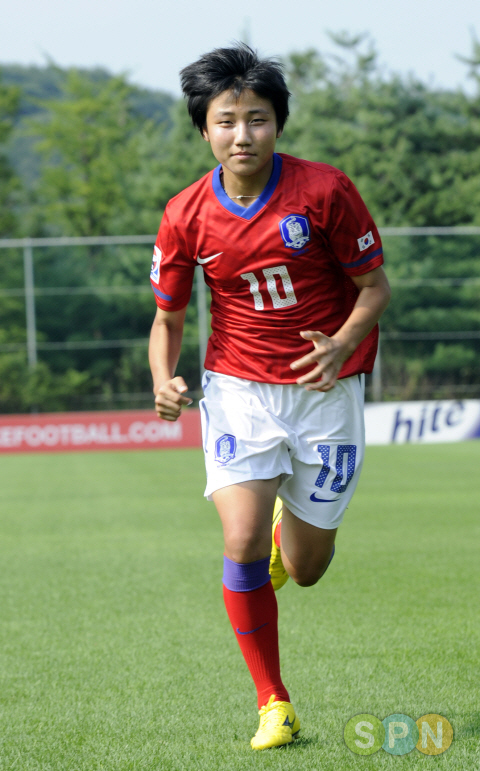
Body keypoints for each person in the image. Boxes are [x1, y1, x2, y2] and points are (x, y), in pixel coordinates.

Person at [148, 43, 391, 751]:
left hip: (326, 391)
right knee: (241, 540)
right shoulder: (186, 213)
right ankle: (273, 702)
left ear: (277, 124)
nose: (242, 135)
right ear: (205, 129)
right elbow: (166, 317)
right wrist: (164, 379)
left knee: (308, 569)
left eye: (257, 119)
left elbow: (375, 288)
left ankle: (292, 536)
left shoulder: (324, 192)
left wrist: (342, 343)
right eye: (227, 120)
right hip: (239, 391)